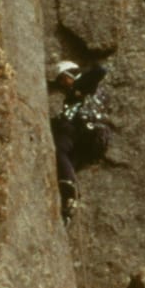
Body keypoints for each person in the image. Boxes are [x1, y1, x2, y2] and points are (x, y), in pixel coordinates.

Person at [49, 59, 111, 220]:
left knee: (59, 149)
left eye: (63, 78)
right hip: (88, 139)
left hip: (87, 130)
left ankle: (69, 188)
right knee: (65, 163)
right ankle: (68, 202)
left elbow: (100, 71)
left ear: (71, 74)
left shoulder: (83, 84)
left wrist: (82, 74)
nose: (63, 84)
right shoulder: (74, 97)